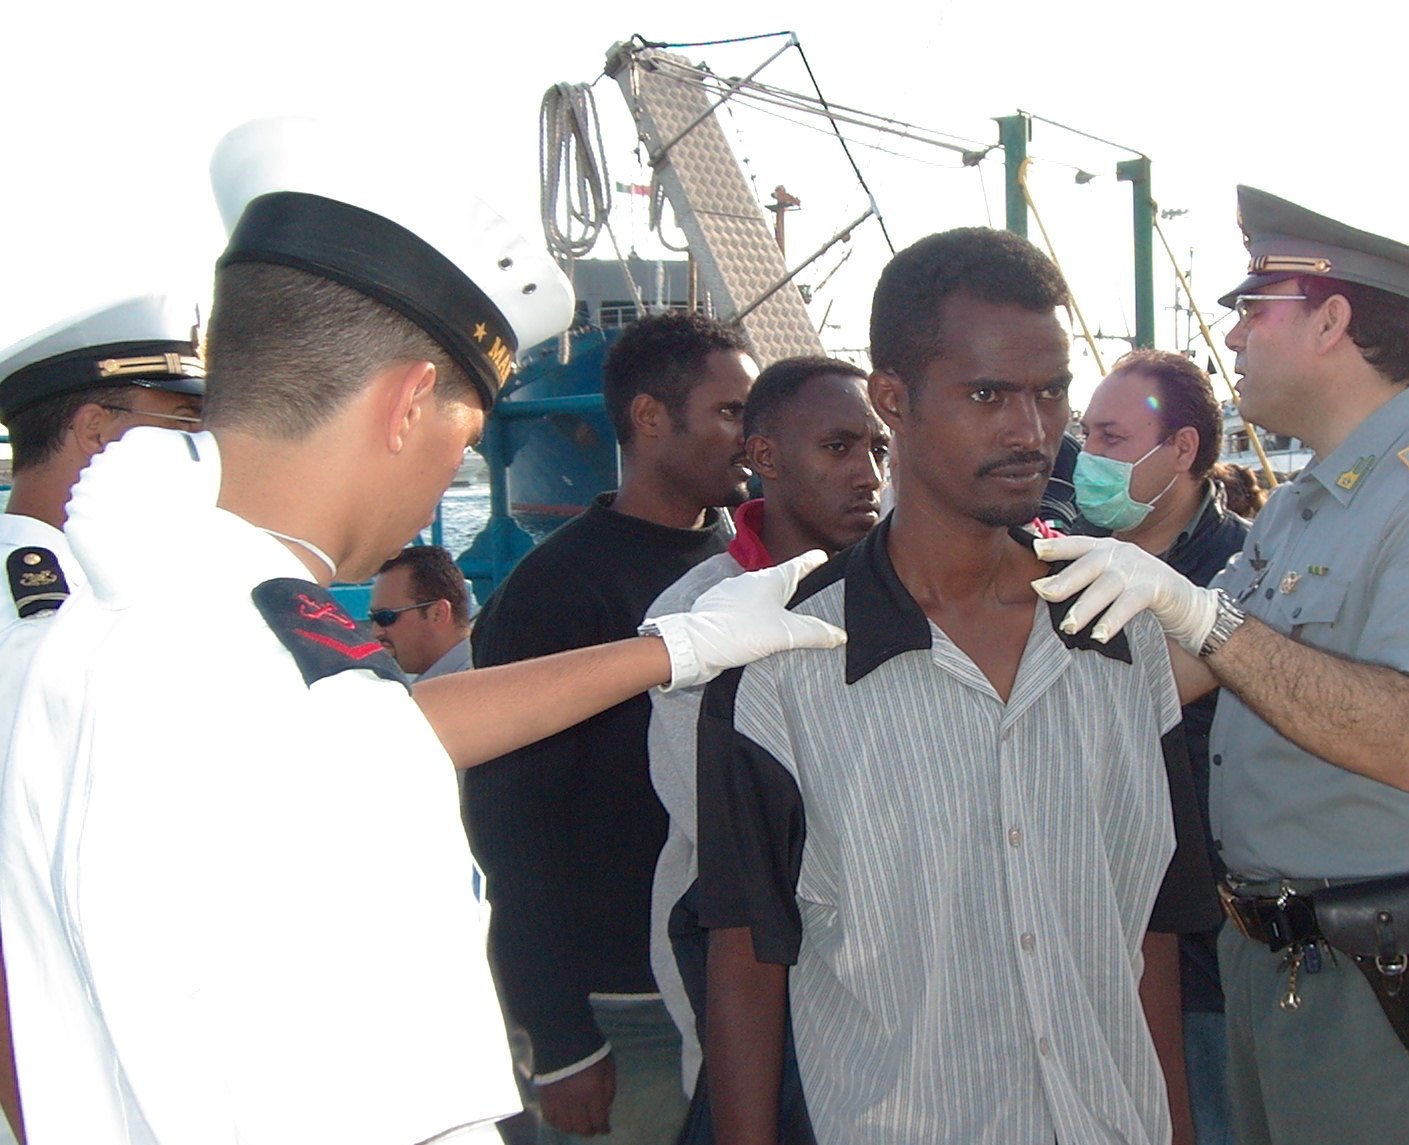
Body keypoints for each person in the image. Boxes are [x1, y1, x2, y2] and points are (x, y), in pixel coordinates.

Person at [0, 116, 843, 1145]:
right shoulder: (237, 668)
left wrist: (677, 647)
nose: (454, 472)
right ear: (408, 404)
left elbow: (376, 726)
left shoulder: (131, 625)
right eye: (466, 436)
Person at [1036, 186, 1409, 1145]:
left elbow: (1408, 739)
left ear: (1332, 322)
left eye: (1253, 311)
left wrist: (1202, 614)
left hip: (1381, 961)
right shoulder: (1308, 502)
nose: (1232, 338)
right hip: (1272, 948)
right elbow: (1177, 675)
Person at [698, 227, 1216, 1145]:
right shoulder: (782, 662)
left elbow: (1151, 928)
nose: (1032, 431)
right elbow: (746, 955)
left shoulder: (1120, 633)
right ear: (893, 399)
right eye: (988, 394)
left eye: (1050, 391)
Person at [465, 309, 758, 1144]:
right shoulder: (553, 591)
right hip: (627, 1012)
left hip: (741, 986)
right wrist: (561, 1040)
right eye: (730, 411)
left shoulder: (752, 565)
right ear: (650, 417)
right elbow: (510, 828)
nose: (751, 436)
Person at [645, 356, 886, 1099]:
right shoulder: (692, 617)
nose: (870, 474)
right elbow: (726, 824)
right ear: (766, 458)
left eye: (879, 448)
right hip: (759, 973)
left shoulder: (918, 589)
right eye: (839, 447)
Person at [0, 294, 207, 1145]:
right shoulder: (34, 614)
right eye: (183, 425)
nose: (207, 451)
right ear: (95, 432)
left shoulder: (108, 594)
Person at [1077, 348, 1247, 1145]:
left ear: (1181, 449)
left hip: (1213, 937)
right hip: (1096, 933)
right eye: (1085, 434)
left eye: (1111, 438)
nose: (1088, 457)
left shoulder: (1248, 572)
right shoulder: (1063, 558)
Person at [370, 544, 474, 679]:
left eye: (385, 617)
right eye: (372, 618)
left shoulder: (475, 683)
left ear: (438, 614)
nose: (376, 632)